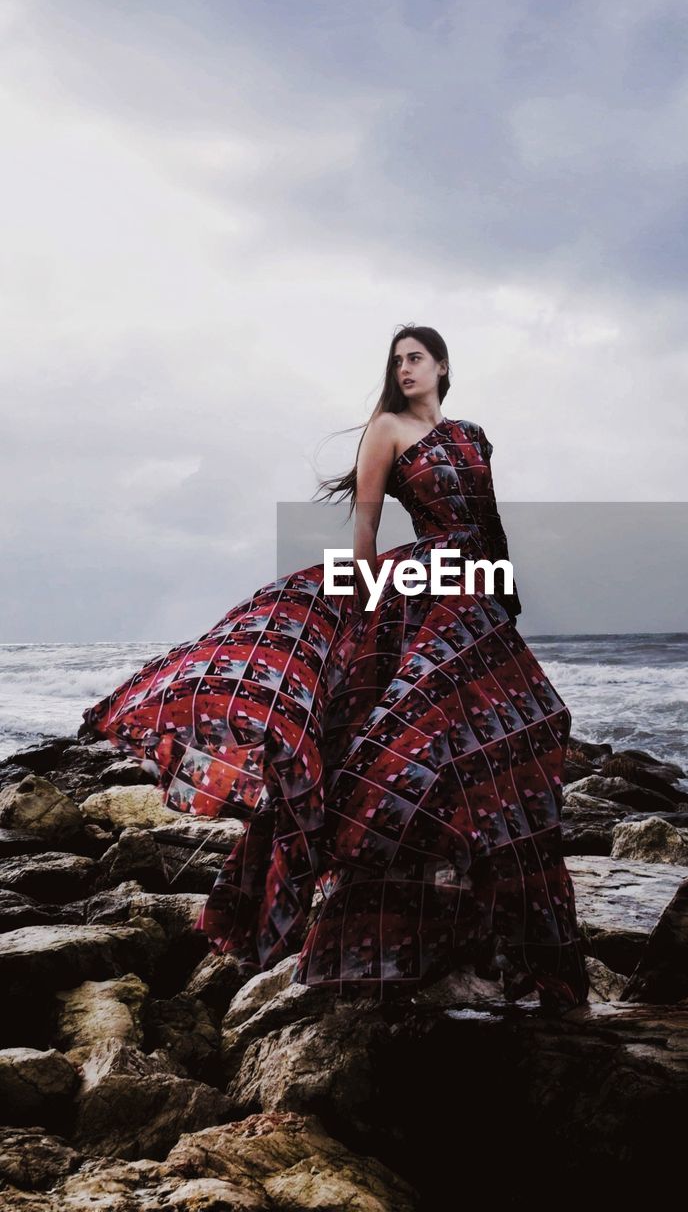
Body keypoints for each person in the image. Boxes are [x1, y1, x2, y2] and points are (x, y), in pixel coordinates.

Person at [80, 324, 590, 1014]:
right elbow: (366, 528)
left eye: (416, 358)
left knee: (523, 729)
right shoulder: (386, 429)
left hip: (478, 596)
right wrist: (363, 615)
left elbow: (490, 523)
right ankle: (388, 914)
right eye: (397, 360)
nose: (405, 368)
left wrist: (505, 596)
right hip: (426, 588)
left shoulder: (473, 436)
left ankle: (484, 927)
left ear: (442, 365)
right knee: (409, 740)